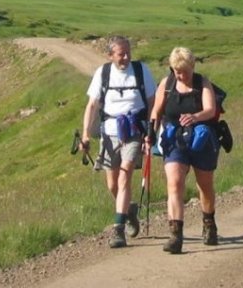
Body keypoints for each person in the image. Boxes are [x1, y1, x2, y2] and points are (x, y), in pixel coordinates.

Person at [81, 35, 156, 249]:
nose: (125, 58)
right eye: (121, 54)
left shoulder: (142, 71)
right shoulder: (102, 73)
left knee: (124, 178)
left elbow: (152, 102)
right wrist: (86, 134)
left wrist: (150, 131)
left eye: (128, 53)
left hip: (135, 132)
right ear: (110, 55)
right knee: (112, 184)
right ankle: (129, 210)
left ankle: (118, 230)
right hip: (109, 133)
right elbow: (92, 105)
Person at [147, 46, 221, 254]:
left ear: (193, 66)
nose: (182, 75)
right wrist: (150, 132)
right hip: (175, 139)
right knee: (175, 183)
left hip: (201, 139)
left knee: (204, 185)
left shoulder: (202, 82)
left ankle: (208, 223)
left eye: (185, 71)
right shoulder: (167, 84)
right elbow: (157, 111)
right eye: (177, 71)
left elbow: (210, 109)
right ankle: (176, 234)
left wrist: (195, 117)